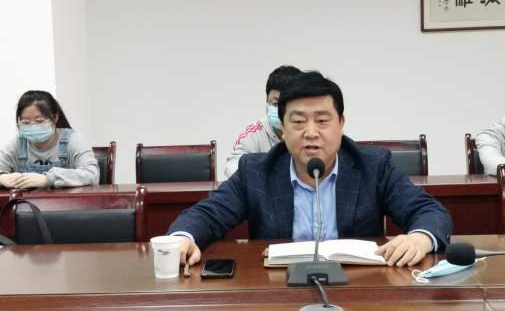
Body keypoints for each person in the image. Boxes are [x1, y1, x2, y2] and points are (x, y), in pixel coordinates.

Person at [169, 71, 453, 269]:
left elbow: (431, 212)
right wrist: (183, 238)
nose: (311, 132)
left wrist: (419, 238)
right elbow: (205, 214)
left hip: (359, 290)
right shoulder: (255, 172)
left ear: (341, 124)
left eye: (322, 120)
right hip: (278, 292)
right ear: (282, 128)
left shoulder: (372, 166)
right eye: (298, 122)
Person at [0, 91, 100, 189]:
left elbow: (92, 174)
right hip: (27, 200)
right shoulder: (17, 144)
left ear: (55, 117)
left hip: (65, 200)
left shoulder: (74, 140)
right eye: (26, 122)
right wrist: (2, 178)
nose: (33, 126)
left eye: (40, 121)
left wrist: (47, 179)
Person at [224, 65, 302, 178]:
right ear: (267, 101)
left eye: (286, 104)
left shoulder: (309, 132)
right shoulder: (254, 133)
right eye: (275, 104)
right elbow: (232, 165)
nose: (280, 111)